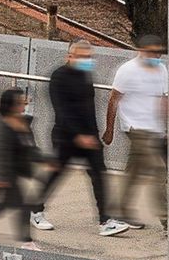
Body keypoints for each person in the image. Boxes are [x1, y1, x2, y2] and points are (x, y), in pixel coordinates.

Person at [41, 47, 123, 234]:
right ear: (70, 56)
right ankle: (35, 209)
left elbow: (89, 109)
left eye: (89, 56)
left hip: (89, 137)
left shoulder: (85, 76)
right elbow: (61, 110)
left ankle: (105, 221)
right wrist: (78, 136)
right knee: (56, 174)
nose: (87, 60)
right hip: (66, 136)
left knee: (99, 174)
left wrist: (95, 135)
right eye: (82, 56)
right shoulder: (59, 77)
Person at [116, 39, 169, 230]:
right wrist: (109, 130)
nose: (158, 56)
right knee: (158, 170)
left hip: (154, 129)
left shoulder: (162, 69)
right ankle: (168, 221)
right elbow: (114, 99)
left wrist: (165, 129)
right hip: (135, 128)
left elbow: (164, 99)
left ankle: (121, 211)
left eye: (160, 53)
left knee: (134, 172)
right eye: (154, 52)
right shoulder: (127, 70)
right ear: (142, 50)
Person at [0, 86, 44, 237]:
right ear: (11, 106)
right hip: (5, 175)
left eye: (24, 102)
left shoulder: (21, 124)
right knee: (20, 206)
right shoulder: (2, 127)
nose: (24, 106)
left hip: (14, 173)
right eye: (20, 103)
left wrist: (45, 160)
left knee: (9, 204)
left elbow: (29, 149)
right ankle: (25, 241)